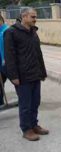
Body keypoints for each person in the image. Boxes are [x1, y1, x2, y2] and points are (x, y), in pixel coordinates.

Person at [4, 7, 48, 141]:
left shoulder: (33, 32)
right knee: (25, 104)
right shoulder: (11, 32)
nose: (35, 19)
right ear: (24, 17)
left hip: (35, 74)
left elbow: (38, 54)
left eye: (35, 17)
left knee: (35, 102)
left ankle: (34, 125)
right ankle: (26, 129)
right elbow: (9, 56)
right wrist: (13, 76)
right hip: (22, 77)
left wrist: (43, 71)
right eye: (33, 17)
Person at [0, 14, 9, 106]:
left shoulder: (7, 31)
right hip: (1, 64)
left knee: (18, 84)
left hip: (8, 63)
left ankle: (24, 101)